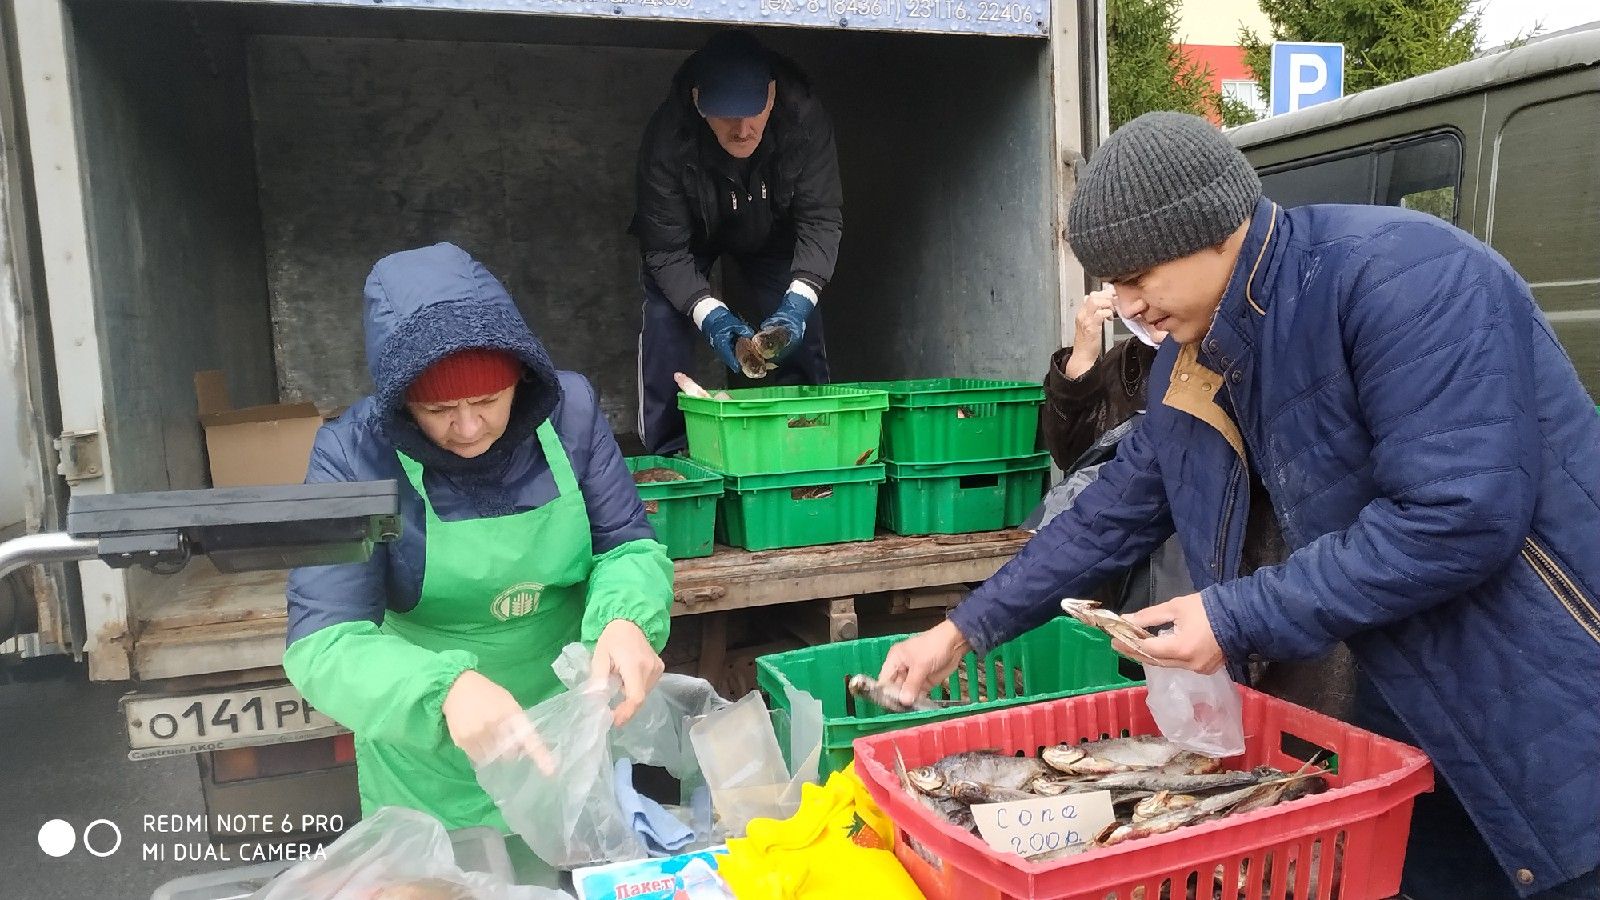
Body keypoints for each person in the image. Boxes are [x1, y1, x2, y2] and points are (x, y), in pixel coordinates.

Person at [880, 112, 1600, 899]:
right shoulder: (1187, 362)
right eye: (1112, 282)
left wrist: (1231, 617)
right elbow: (1113, 510)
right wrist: (966, 627)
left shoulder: (1404, 278)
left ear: (1213, 227)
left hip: (1538, 703)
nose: (1127, 305)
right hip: (1389, 723)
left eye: (1139, 274)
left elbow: (1458, 516)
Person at [283, 242, 674, 832]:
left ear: (522, 378)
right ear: (399, 400)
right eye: (437, 409)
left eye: (488, 400)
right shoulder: (352, 455)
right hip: (430, 769)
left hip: (567, 741)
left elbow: (626, 545)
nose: (468, 428)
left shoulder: (571, 415)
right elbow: (325, 640)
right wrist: (441, 692)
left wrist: (625, 617)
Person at [632, 29, 843, 455]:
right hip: (690, 238)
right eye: (726, 115)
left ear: (772, 94)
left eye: (755, 111)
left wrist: (798, 304)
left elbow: (821, 219)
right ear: (697, 101)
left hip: (772, 230)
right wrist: (713, 317)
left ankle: (805, 442)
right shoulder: (667, 138)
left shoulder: (803, 118)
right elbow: (664, 249)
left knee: (796, 324)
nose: (743, 130)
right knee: (664, 320)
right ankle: (674, 455)